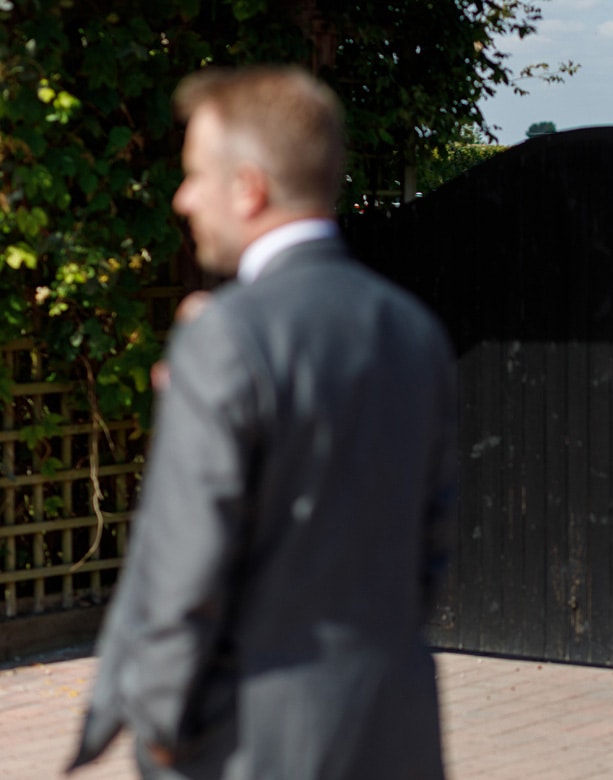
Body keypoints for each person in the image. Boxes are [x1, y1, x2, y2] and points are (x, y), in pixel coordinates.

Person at [70, 66, 456, 780]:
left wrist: (157, 728)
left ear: (247, 187)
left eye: (192, 175)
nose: (183, 198)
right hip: (395, 725)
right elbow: (431, 544)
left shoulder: (223, 336)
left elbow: (186, 564)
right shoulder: (412, 328)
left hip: (253, 739)